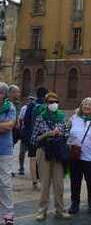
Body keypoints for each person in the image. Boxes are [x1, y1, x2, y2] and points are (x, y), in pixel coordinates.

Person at [31, 92, 71, 221]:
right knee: (45, 184)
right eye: (50, 102)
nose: (53, 104)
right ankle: (42, 210)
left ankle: (60, 210)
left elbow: (67, 134)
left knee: (59, 183)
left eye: (56, 102)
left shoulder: (62, 117)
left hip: (58, 153)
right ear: (46, 103)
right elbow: (33, 140)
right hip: (44, 152)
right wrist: (47, 134)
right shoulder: (40, 117)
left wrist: (60, 134)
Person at [68, 97, 91, 215]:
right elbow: (65, 130)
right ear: (81, 106)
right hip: (75, 156)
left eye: (89, 105)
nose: (87, 106)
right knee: (75, 180)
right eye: (84, 104)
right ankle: (75, 203)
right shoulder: (74, 118)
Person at [24, 87, 47, 190]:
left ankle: (34, 182)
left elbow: (26, 121)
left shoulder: (31, 105)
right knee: (42, 159)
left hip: (32, 136)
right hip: (43, 137)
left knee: (33, 159)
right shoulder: (47, 106)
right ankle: (43, 181)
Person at [0, 82, 16, 225]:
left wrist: (4, 126)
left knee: (5, 183)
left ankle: (8, 213)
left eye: (0, 93)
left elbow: (9, 126)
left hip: (4, 150)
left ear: (4, 95)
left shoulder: (9, 107)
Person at [17, 95, 35, 176]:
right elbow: (20, 119)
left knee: (33, 154)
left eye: (32, 99)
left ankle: (34, 171)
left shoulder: (36, 108)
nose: (30, 101)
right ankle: (21, 167)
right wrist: (21, 129)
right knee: (22, 152)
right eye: (29, 99)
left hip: (32, 133)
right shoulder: (24, 108)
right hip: (26, 133)